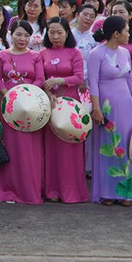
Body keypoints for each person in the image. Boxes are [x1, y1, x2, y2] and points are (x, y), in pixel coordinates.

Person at [88, 15, 132, 206]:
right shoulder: (96, 54)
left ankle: (126, 191)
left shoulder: (124, 53)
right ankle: (107, 191)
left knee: (125, 145)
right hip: (106, 105)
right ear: (116, 33)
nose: (129, 34)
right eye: (126, 30)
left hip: (126, 106)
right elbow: (93, 83)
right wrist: (96, 108)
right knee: (108, 146)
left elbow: (130, 81)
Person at [0, 23, 44, 205]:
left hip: (30, 108)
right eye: (18, 34)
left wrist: (26, 94)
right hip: (9, 107)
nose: (22, 39)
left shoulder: (35, 56)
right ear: (11, 35)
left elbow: (40, 79)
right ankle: (8, 191)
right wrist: (9, 96)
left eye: (26, 35)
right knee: (11, 150)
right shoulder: (2, 55)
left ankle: (28, 192)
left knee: (29, 152)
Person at [39, 17, 87, 203]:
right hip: (50, 103)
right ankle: (52, 190)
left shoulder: (75, 53)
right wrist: (46, 91)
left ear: (67, 33)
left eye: (60, 32)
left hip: (71, 104)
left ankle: (72, 191)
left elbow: (78, 77)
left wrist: (59, 80)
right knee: (51, 147)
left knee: (70, 145)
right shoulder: (42, 53)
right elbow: (39, 77)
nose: (56, 36)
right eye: (52, 32)